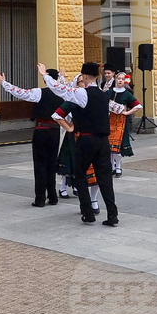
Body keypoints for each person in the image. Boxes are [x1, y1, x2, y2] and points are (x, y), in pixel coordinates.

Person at [40, 61, 123, 226]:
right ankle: (112, 215)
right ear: (97, 76)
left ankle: (88, 213)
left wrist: (45, 75)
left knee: (80, 175)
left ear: (84, 76)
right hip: (103, 141)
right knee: (105, 178)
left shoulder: (82, 93)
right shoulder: (103, 95)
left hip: (86, 140)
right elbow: (119, 109)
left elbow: (60, 89)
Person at [0, 69, 65, 206]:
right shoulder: (63, 94)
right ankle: (52, 196)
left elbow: (20, 92)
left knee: (40, 164)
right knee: (52, 163)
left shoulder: (40, 92)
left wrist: (4, 83)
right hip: (55, 131)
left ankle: (40, 198)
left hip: (41, 130)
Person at [107, 72, 143, 177]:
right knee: (109, 147)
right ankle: (111, 167)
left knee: (117, 147)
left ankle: (118, 167)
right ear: (116, 79)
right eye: (118, 78)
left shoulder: (127, 94)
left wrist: (127, 113)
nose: (120, 80)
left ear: (125, 81)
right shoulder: (109, 92)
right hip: (110, 121)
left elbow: (138, 106)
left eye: (122, 79)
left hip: (121, 122)